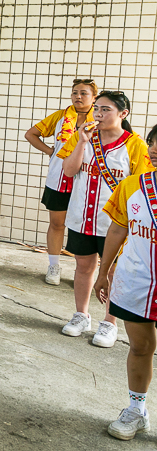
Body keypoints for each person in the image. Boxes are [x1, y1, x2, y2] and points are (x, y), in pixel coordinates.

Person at [58, 90, 151, 347]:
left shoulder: (135, 145)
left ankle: (110, 322)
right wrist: (82, 142)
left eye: (106, 109)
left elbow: (141, 185)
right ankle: (81, 315)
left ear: (123, 114)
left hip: (115, 224)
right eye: (96, 108)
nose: (98, 113)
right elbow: (68, 170)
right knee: (84, 267)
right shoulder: (83, 136)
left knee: (113, 272)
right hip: (81, 217)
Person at [94, 124, 157, 440]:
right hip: (136, 281)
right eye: (153, 141)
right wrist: (103, 271)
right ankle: (136, 410)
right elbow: (118, 230)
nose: (155, 147)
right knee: (141, 346)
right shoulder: (132, 185)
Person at [25, 79, 97, 285]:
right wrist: (51, 152)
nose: (78, 96)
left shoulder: (100, 119)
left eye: (84, 93)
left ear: (94, 97)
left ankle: (84, 272)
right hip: (59, 179)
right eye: (75, 92)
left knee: (85, 229)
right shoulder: (60, 117)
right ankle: (53, 266)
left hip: (87, 183)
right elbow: (31, 134)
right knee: (57, 224)